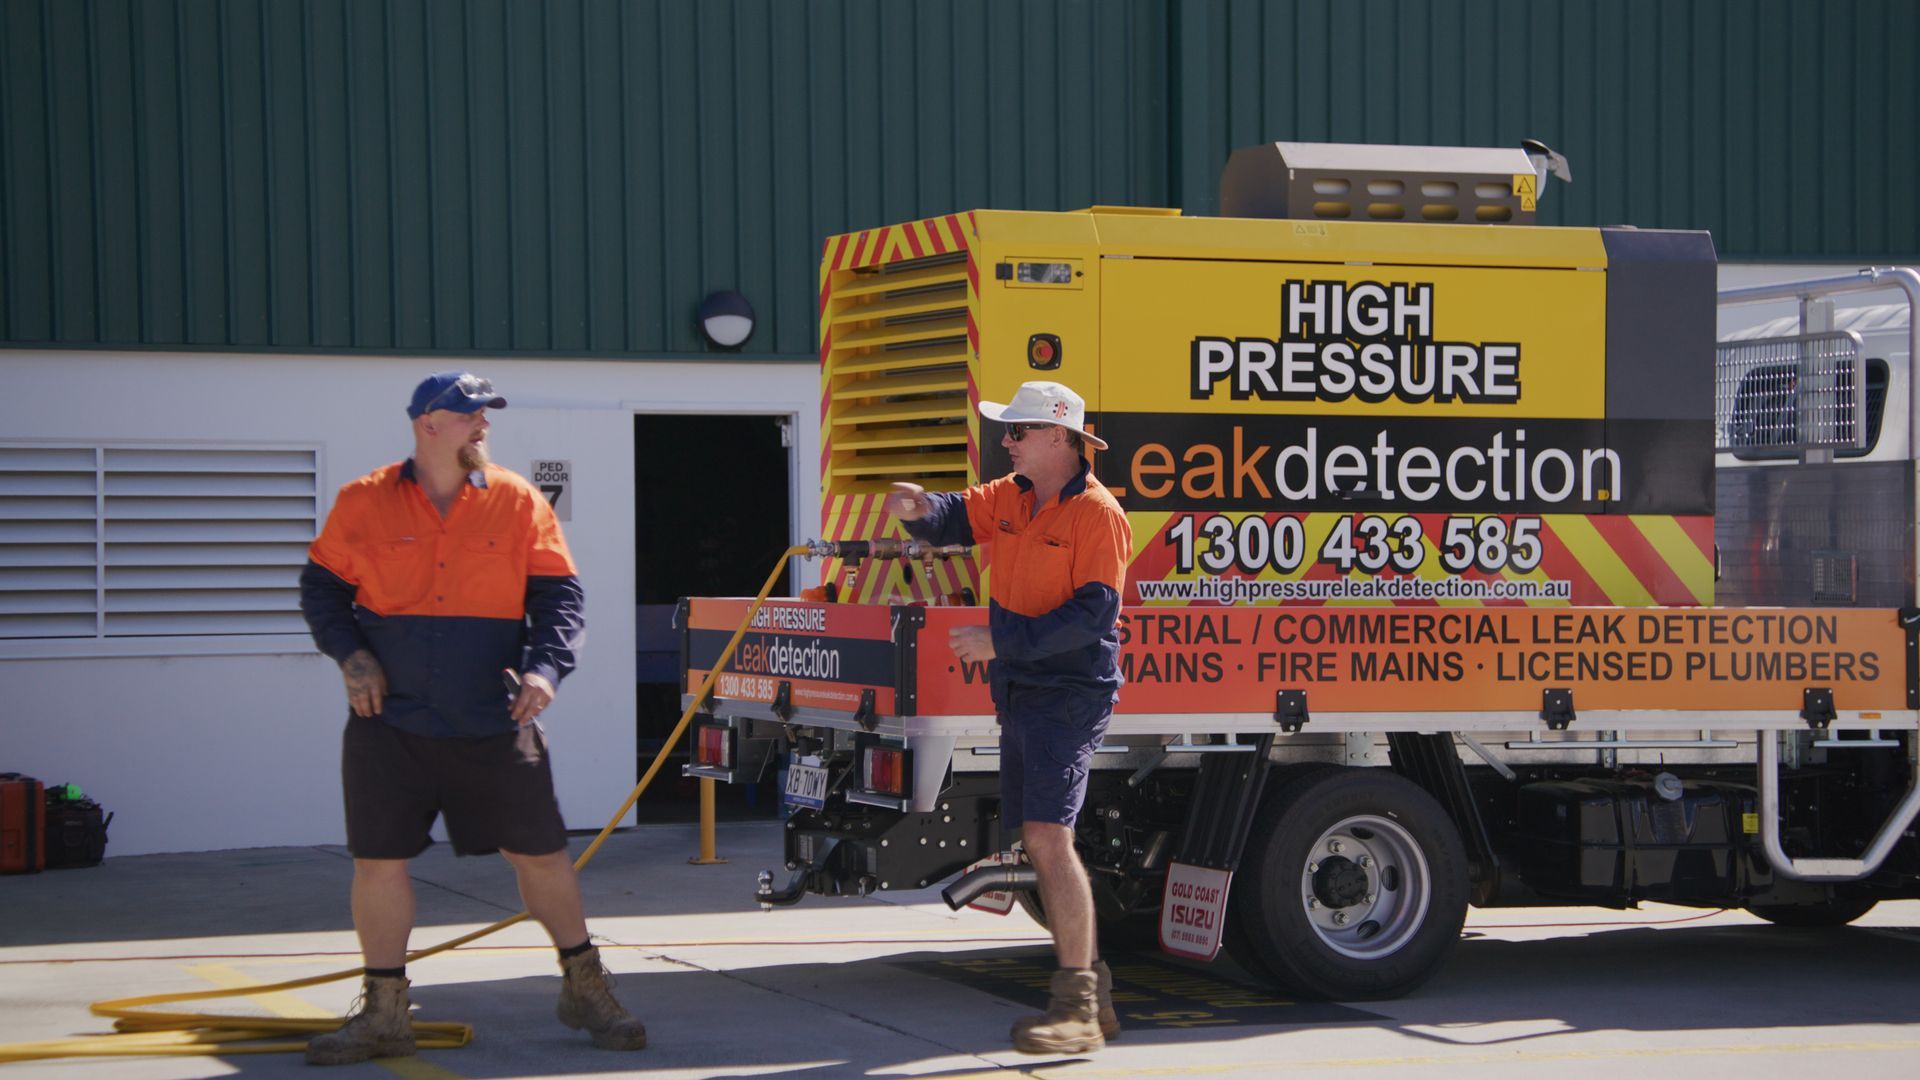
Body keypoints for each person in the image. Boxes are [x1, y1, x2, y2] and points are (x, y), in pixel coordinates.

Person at [297, 371, 645, 1066]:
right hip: (389, 723)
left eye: (486, 416)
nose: (484, 427)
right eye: (470, 416)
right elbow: (323, 590)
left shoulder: (517, 501)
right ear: (429, 423)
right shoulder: (362, 501)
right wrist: (350, 656)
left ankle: (585, 986)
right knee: (379, 863)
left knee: (542, 854)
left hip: (493, 716)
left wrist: (547, 671)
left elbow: (560, 601)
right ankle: (386, 1013)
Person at [886, 380, 1132, 1054]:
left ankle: (1078, 1007)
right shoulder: (1013, 497)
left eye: (1018, 431)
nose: (1007, 441)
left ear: (1060, 436)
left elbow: (1092, 619)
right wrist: (917, 510)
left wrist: (1001, 642)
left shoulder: (1098, 515)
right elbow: (953, 517)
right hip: (1023, 688)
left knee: (1049, 838)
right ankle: (1095, 999)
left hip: (1069, 692)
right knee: (1038, 834)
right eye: (1009, 431)